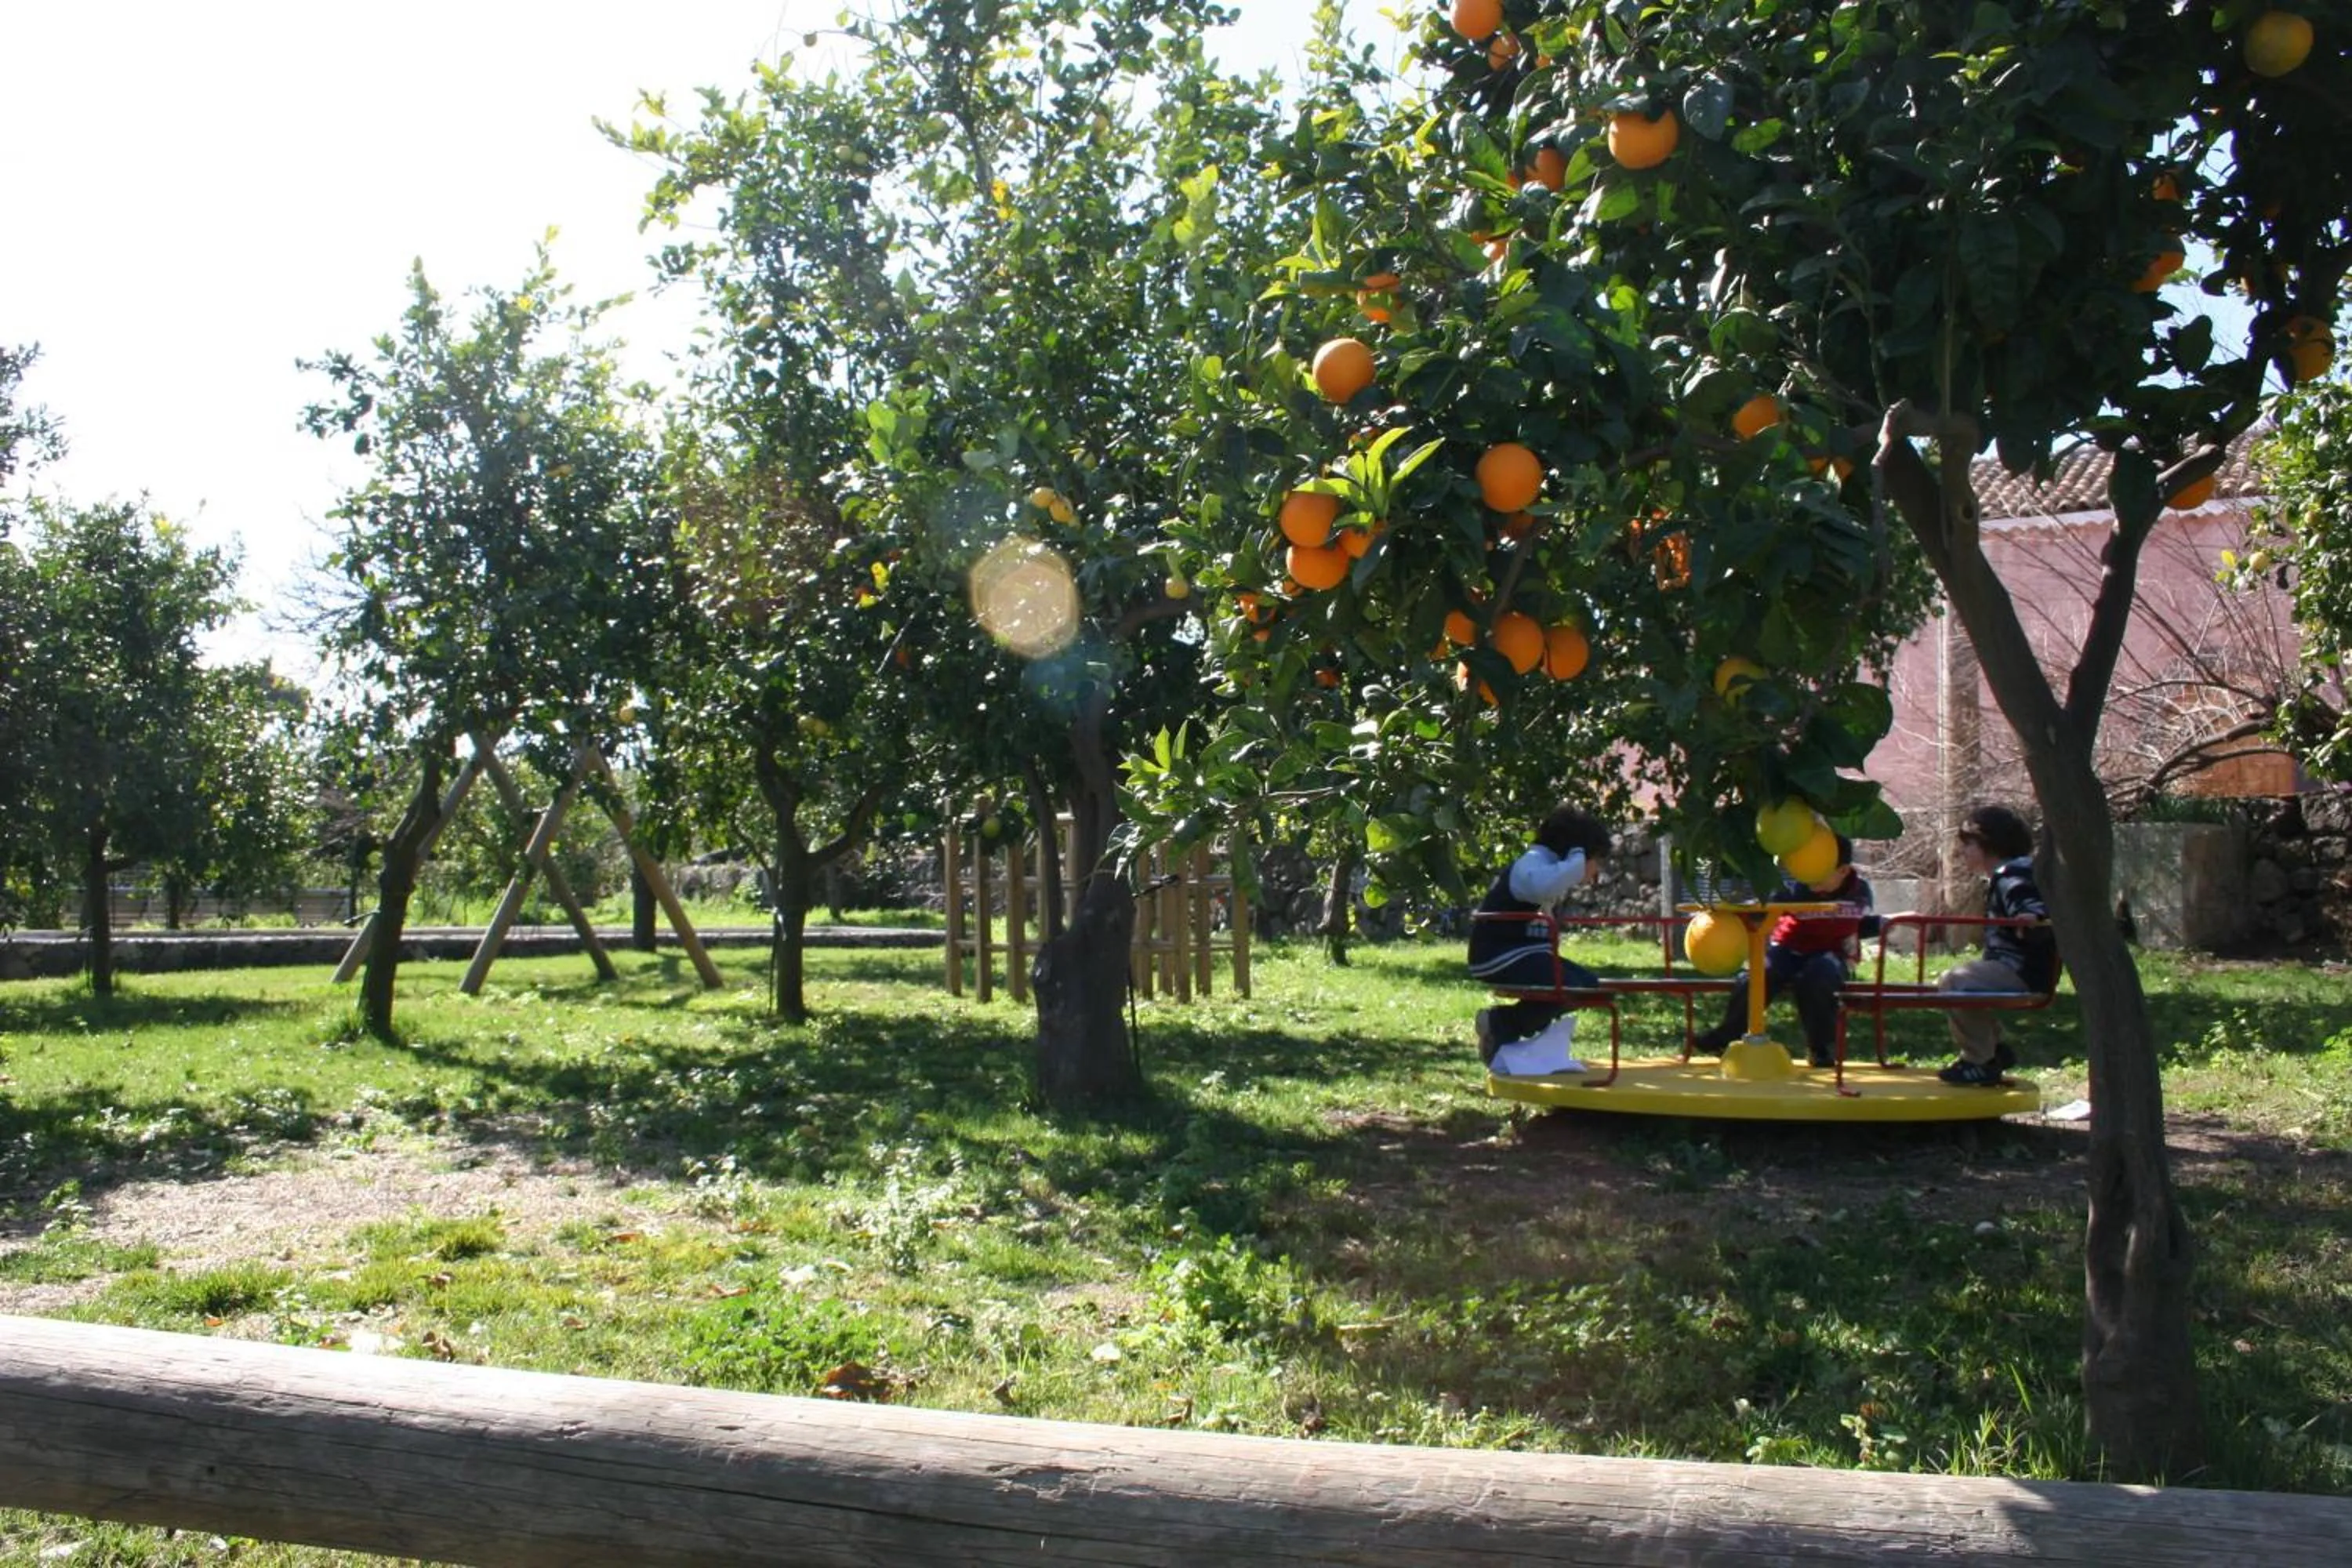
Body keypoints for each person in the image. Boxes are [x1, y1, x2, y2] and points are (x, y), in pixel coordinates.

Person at [1691, 833, 1877, 1068]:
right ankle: (1727, 1035)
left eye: (1820, 870)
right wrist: (1732, 911)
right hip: (1789, 948)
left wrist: (1891, 922)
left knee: (1819, 975)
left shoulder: (1859, 892)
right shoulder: (1796, 887)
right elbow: (1764, 908)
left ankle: (1821, 1048)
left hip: (1832, 952)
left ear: (1843, 871)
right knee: (1758, 973)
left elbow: (1861, 923)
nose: (1811, 876)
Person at [1468, 805, 1613, 1075]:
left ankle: (1516, 1034)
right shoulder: (1532, 863)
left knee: (1591, 987)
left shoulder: (1546, 865)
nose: (1595, 872)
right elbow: (1544, 886)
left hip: (1526, 952)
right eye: (1596, 861)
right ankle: (1502, 1022)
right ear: (1576, 852)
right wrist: (1576, 860)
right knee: (1569, 986)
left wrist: (1573, 861)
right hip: (1499, 953)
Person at [1937, 804, 2059, 1087]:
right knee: (1957, 982)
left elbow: (2027, 900)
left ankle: (1979, 1060)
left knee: (1955, 983)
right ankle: (1994, 1050)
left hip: (2020, 970)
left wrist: (2033, 915)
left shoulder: (2012, 873)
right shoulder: (2014, 871)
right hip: (2019, 967)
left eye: (1968, 844)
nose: (1963, 852)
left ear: (1987, 844)